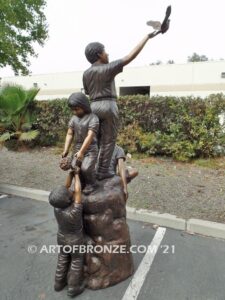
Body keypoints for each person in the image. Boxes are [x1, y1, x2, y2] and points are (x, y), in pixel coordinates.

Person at [83, 29, 169, 181]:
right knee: (109, 141)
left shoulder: (86, 73)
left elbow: (89, 93)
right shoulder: (107, 68)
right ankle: (103, 172)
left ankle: (91, 169)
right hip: (108, 106)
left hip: (93, 107)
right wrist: (147, 36)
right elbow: (130, 56)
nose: (107, 54)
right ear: (99, 55)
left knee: (95, 141)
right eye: (105, 52)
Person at [49, 169, 86, 298]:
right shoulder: (74, 212)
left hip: (61, 238)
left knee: (63, 258)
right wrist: (76, 175)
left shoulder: (57, 207)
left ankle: (58, 283)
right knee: (76, 262)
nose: (70, 190)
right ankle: (73, 288)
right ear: (68, 199)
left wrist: (70, 174)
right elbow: (78, 191)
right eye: (69, 193)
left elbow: (65, 189)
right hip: (75, 240)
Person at [62, 92, 99, 195]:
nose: (74, 112)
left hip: (90, 149)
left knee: (86, 168)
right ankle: (81, 183)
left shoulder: (93, 118)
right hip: (77, 148)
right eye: (72, 109)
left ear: (84, 106)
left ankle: (92, 184)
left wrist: (82, 152)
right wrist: (66, 149)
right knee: (74, 167)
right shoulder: (73, 119)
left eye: (77, 109)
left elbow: (90, 136)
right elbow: (69, 134)